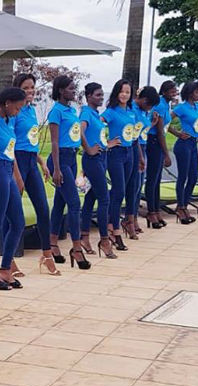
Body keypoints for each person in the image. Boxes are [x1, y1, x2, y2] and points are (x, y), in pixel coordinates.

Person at [9, 73, 58, 275]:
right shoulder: (14, 112)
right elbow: (10, 143)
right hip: (17, 162)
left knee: (43, 209)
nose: (30, 91)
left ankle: (47, 255)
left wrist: (41, 162)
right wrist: (16, 174)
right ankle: (9, 259)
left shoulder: (31, 111)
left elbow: (30, 142)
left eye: (32, 87)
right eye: (26, 88)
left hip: (31, 161)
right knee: (13, 213)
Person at [0, 87, 27, 289]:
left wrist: (18, 176)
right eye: (17, 107)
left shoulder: (9, 121)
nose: (18, 111)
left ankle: (6, 268)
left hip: (8, 170)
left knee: (18, 222)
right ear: (7, 103)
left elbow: (11, 151)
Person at [47, 76, 90, 270]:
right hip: (60, 160)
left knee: (60, 203)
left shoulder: (72, 110)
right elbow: (54, 142)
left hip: (72, 157)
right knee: (74, 204)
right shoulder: (56, 111)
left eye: (74, 88)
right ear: (61, 90)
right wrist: (56, 169)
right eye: (71, 89)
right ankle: (76, 248)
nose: (74, 91)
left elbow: (77, 135)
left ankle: (52, 244)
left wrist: (88, 149)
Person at [79, 82, 120, 258]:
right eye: (97, 95)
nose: (101, 97)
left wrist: (108, 144)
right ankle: (104, 240)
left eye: (102, 94)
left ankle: (84, 236)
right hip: (92, 160)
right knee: (104, 199)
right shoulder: (86, 113)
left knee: (91, 198)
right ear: (88, 96)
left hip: (101, 158)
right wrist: (88, 149)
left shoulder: (95, 113)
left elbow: (98, 136)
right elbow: (80, 131)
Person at [101, 79, 135, 250]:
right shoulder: (111, 111)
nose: (124, 95)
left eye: (127, 92)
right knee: (118, 191)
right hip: (116, 154)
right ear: (116, 93)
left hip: (130, 153)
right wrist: (106, 143)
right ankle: (115, 230)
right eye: (121, 91)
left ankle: (110, 224)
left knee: (121, 191)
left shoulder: (131, 111)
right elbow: (95, 125)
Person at [145, 80, 179, 229]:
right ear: (164, 91)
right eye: (171, 90)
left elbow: (165, 127)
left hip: (158, 140)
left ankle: (156, 210)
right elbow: (159, 132)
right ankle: (151, 211)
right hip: (154, 141)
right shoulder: (159, 105)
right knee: (152, 179)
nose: (174, 93)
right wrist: (166, 154)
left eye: (175, 90)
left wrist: (177, 133)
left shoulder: (166, 104)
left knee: (157, 179)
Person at [126, 86, 159, 239]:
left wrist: (152, 124)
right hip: (135, 147)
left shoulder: (143, 111)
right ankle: (129, 219)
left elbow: (142, 130)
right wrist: (140, 157)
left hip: (143, 146)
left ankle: (134, 218)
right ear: (144, 100)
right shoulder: (132, 109)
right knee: (133, 186)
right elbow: (135, 136)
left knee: (139, 186)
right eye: (149, 105)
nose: (150, 109)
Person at [171, 81, 198, 224]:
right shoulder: (181, 107)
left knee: (193, 177)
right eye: (197, 92)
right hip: (183, 144)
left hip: (194, 145)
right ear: (190, 93)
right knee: (183, 176)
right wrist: (177, 133)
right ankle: (181, 207)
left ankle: (183, 204)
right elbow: (165, 122)